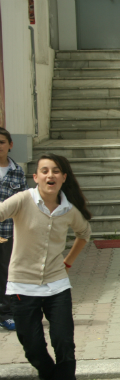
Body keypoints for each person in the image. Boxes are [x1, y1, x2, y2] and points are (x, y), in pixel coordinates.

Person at [2, 154, 91, 380]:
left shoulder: (69, 210)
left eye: (55, 171)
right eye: (44, 171)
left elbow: (84, 233)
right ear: (36, 177)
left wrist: (68, 262)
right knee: (32, 347)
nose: (50, 176)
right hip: (22, 286)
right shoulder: (22, 200)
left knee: (64, 343)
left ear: (64, 177)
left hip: (57, 286)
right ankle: (50, 378)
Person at [0, 128, 27, 331]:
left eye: (1, 142)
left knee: (7, 274)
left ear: (10, 145)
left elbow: (24, 204)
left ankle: (7, 313)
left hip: (8, 232)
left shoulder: (17, 171)